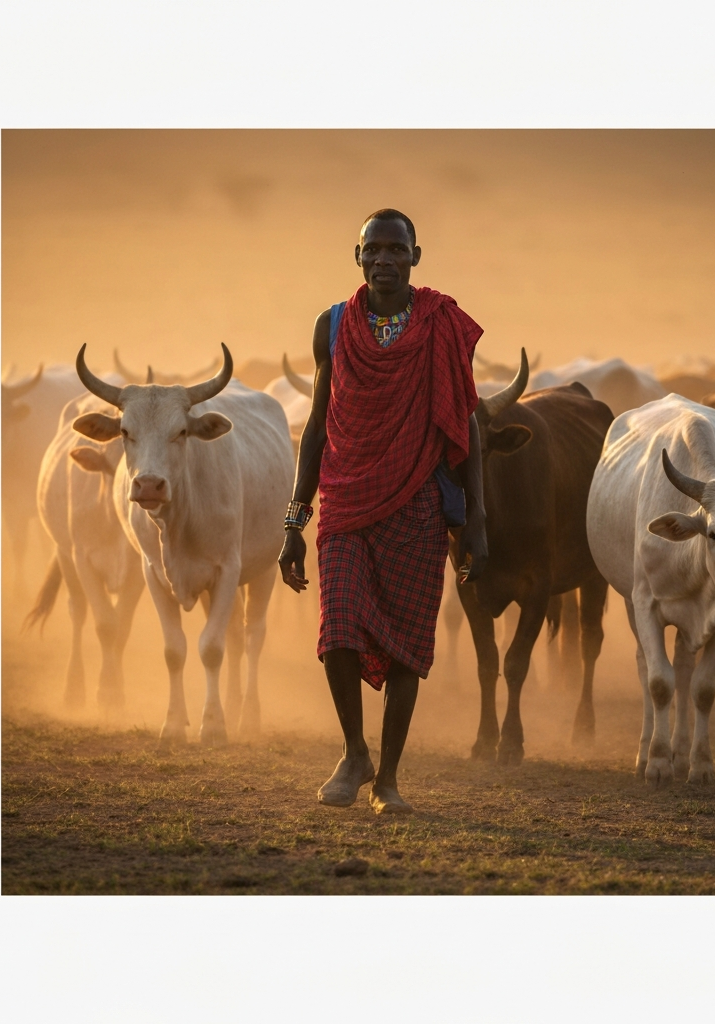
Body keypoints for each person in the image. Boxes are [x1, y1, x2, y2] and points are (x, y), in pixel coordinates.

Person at [278, 209, 488, 814]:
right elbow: (317, 424)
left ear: (416, 257)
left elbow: (465, 420)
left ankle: (389, 777)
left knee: (405, 646)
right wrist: (295, 520)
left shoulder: (442, 323)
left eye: (397, 250)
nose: (385, 261)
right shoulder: (334, 324)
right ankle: (354, 752)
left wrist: (474, 521)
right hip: (344, 498)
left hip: (418, 501)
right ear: (358, 256)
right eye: (374, 250)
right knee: (337, 628)